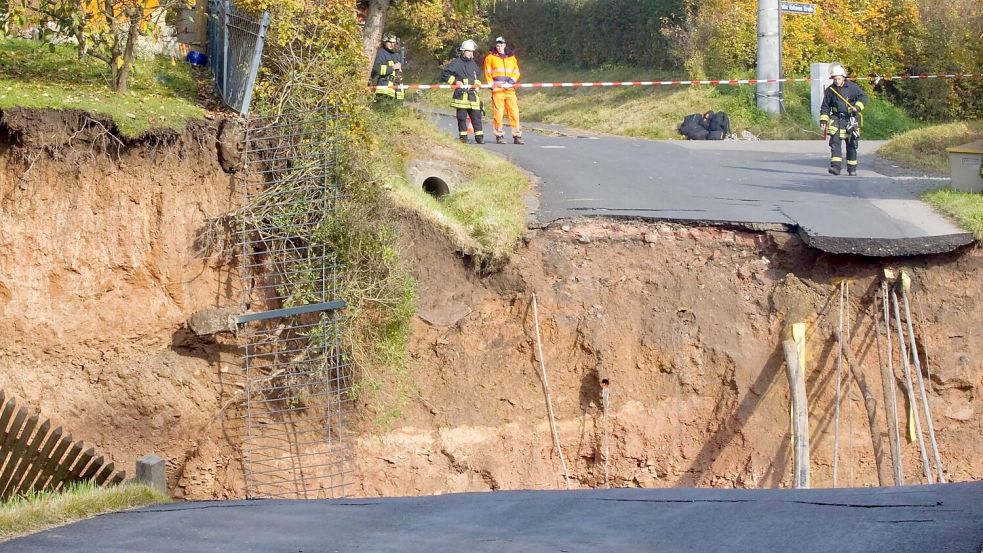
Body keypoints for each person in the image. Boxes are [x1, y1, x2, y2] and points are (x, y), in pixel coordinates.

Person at [819, 64, 868, 175]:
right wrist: (823, 120)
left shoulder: (853, 87)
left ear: (843, 77)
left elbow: (864, 97)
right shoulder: (830, 90)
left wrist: (857, 107)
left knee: (852, 144)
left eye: (839, 78)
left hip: (851, 119)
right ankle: (835, 168)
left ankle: (852, 169)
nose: (837, 81)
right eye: (835, 79)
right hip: (836, 119)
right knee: (835, 143)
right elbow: (825, 107)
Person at [441, 40, 484, 144]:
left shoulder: (473, 64)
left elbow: (478, 76)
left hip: (473, 95)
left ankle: (479, 138)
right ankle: (463, 138)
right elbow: (445, 74)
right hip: (461, 95)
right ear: (463, 51)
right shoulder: (456, 63)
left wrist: (478, 85)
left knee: (477, 117)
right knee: (461, 118)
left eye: (472, 51)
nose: (471, 53)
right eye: (468, 51)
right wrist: (456, 82)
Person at [483, 36, 523, 145]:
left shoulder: (511, 58)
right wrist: (493, 86)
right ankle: (499, 135)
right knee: (498, 113)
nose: (499, 47)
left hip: (509, 88)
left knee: (514, 112)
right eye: (497, 45)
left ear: (505, 45)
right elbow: (487, 73)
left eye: (501, 45)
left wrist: (511, 81)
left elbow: (516, 72)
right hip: (498, 90)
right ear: (496, 46)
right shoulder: (490, 58)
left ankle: (517, 135)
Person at [371, 34, 404, 102]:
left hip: (394, 91)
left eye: (393, 42)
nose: (392, 45)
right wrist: (392, 68)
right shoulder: (381, 53)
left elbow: (398, 75)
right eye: (389, 42)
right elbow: (377, 69)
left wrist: (400, 95)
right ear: (384, 42)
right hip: (383, 90)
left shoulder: (395, 55)